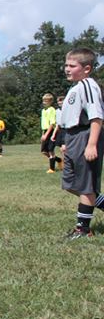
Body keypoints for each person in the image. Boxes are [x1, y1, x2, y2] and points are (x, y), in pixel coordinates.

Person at [57, 48, 102, 239]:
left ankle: (83, 229)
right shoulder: (75, 87)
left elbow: (96, 117)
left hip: (85, 136)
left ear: (86, 69)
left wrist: (91, 144)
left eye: (72, 66)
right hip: (73, 137)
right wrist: (66, 141)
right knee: (70, 184)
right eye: (66, 65)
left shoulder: (88, 86)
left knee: (85, 186)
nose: (67, 69)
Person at [40, 93, 59, 173]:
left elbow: (52, 123)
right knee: (44, 151)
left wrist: (47, 134)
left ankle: (52, 169)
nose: (44, 102)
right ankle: (59, 160)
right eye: (43, 101)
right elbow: (43, 124)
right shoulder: (43, 110)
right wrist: (43, 134)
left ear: (50, 102)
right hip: (45, 131)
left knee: (50, 150)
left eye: (46, 101)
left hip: (50, 131)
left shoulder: (52, 110)